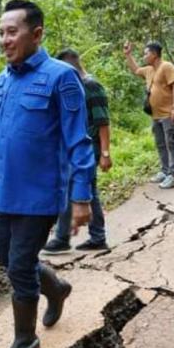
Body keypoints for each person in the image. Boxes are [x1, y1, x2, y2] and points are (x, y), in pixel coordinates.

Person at [0, 0, 94, 348]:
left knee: (21, 265)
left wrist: (81, 197)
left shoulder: (61, 77)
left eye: (12, 32)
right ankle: (56, 288)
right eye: (1, 32)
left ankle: (25, 340)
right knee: (8, 260)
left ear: (36, 34)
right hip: (6, 192)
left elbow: (79, 141)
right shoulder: (1, 82)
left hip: (41, 195)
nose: (4, 40)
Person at [42, 49, 112, 255]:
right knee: (82, 190)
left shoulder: (91, 85)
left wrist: (105, 153)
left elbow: (103, 121)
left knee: (81, 190)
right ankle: (88, 236)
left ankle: (69, 238)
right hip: (75, 148)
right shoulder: (75, 85)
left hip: (88, 148)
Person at [123, 41, 174, 189]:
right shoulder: (149, 70)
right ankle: (164, 170)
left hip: (169, 113)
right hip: (156, 115)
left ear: (154, 54)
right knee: (161, 143)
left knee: (172, 143)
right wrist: (128, 55)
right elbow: (136, 70)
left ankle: (173, 175)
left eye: (146, 53)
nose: (144, 56)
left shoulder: (167, 67)